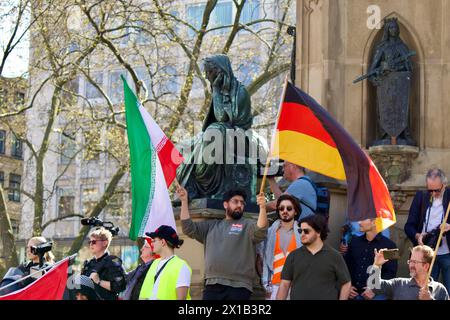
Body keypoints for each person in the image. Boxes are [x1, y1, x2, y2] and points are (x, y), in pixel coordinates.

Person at [177, 54, 265, 200]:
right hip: (221, 132)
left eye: (209, 72)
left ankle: (205, 181)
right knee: (183, 146)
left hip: (239, 135)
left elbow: (223, 118)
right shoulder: (219, 91)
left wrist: (217, 90)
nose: (206, 76)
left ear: (221, 71)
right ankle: (190, 190)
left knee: (214, 132)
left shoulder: (240, 92)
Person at [178, 186, 268, 300]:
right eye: (235, 202)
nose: (239, 205)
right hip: (212, 285)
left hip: (239, 286)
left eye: (242, 203)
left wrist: (263, 207)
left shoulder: (248, 225)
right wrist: (184, 201)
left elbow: (261, 230)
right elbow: (188, 228)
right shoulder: (211, 226)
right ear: (225, 205)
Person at [276, 214, 351, 300]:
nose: (302, 234)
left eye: (306, 231)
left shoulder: (335, 256)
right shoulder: (293, 256)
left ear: (318, 232)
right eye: (300, 231)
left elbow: (346, 283)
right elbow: (284, 284)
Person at [404, 168, 450, 292]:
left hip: (447, 253)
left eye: (437, 190)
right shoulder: (421, 196)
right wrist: (417, 236)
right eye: (430, 190)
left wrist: (449, 227)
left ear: (444, 185)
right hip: (426, 255)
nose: (433, 193)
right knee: (425, 291)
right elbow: (408, 226)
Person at [366, 245, 449, 300]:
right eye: (410, 261)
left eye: (415, 262)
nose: (411, 265)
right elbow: (374, 286)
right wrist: (376, 265)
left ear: (426, 266)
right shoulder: (398, 284)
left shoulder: (440, 289)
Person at [343, 218, 398, 300]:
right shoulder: (354, 241)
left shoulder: (391, 245)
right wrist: (348, 287)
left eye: (363, 219)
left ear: (374, 222)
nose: (359, 222)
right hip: (353, 293)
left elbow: (391, 273)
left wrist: (375, 290)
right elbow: (345, 267)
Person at [262, 194, 302, 299]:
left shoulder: (303, 233)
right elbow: (262, 260)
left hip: (296, 286)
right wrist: (266, 286)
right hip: (273, 287)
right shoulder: (269, 233)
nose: (285, 211)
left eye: (289, 208)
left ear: (295, 211)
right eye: (281, 208)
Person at [139, 225, 192, 300]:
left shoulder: (181, 266)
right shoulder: (154, 263)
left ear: (163, 242)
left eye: (154, 241)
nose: (152, 244)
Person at [81, 227, 126, 300]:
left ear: (105, 243)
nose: (91, 244)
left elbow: (120, 286)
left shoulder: (113, 261)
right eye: (90, 242)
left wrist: (99, 281)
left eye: (94, 242)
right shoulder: (89, 264)